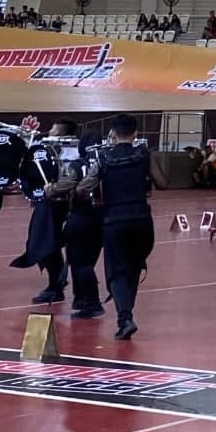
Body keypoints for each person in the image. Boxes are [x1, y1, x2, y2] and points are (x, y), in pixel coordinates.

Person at [77, 115, 169, 339]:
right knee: (134, 268)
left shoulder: (104, 157)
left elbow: (83, 188)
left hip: (114, 221)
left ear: (113, 133)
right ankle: (127, 313)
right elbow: (163, 183)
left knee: (116, 271)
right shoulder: (143, 154)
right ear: (135, 133)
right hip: (142, 219)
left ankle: (124, 317)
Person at [11, 119, 79, 304]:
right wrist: (27, 134)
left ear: (63, 134)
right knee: (45, 242)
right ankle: (56, 283)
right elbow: (29, 151)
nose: (49, 133)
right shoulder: (45, 148)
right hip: (46, 202)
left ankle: (56, 286)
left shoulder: (72, 152)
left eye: (53, 131)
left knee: (48, 243)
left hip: (59, 203)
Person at [45, 130, 105, 318]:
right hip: (103, 218)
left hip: (81, 216)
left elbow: (66, 185)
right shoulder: (107, 161)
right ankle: (81, 297)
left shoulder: (79, 165)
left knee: (80, 262)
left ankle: (93, 303)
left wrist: (50, 189)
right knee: (88, 261)